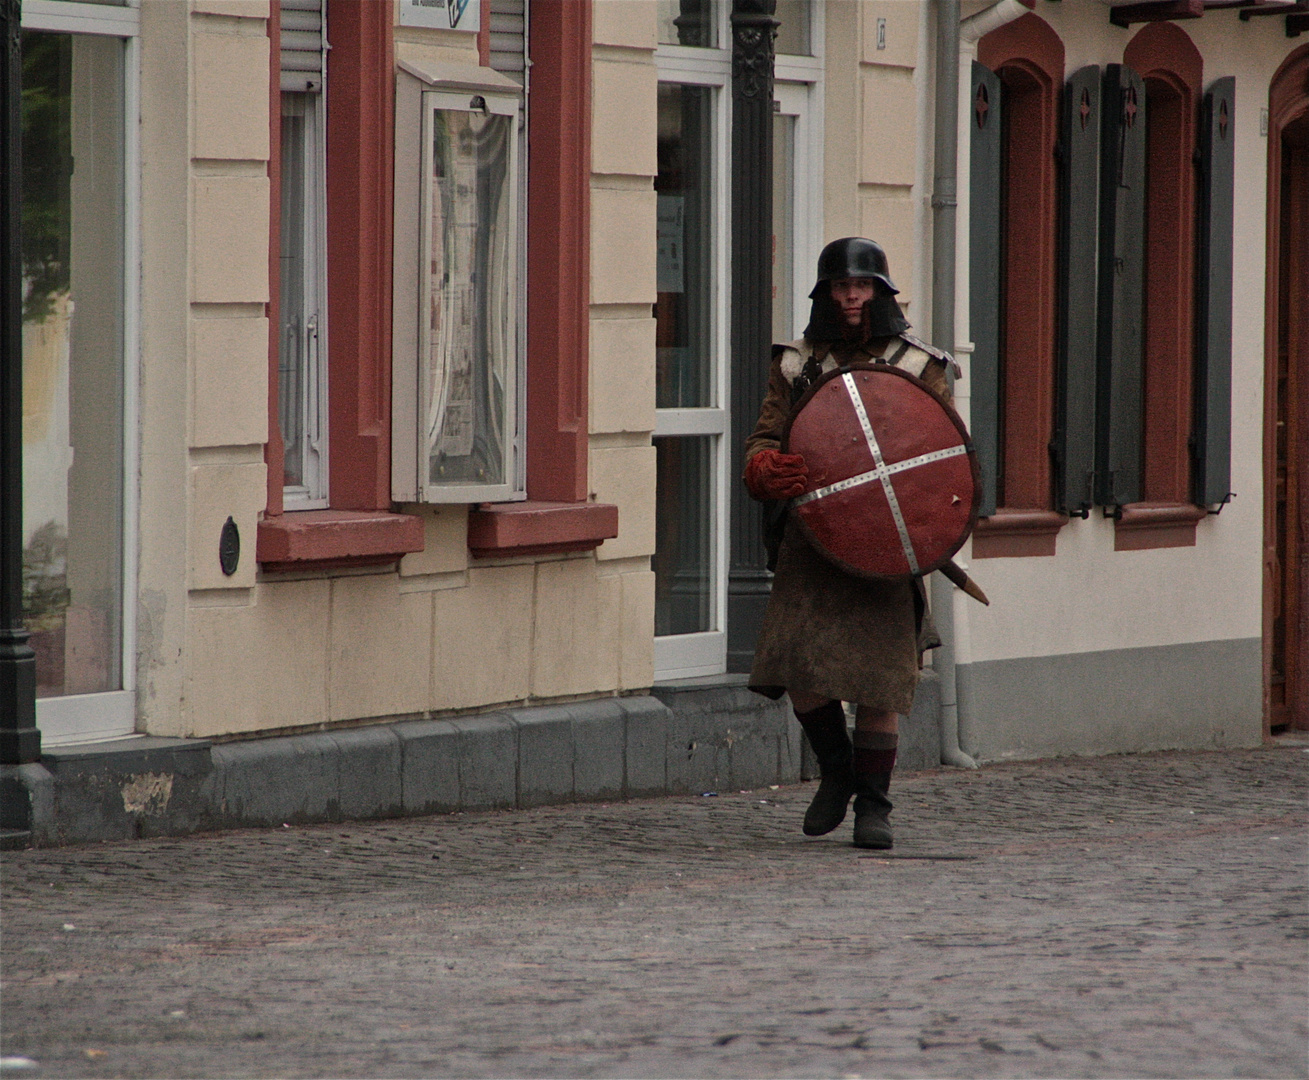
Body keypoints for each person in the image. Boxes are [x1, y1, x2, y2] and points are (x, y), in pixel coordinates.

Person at [742, 237, 958, 850]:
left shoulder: (919, 367)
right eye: (841, 287)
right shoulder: (798, 364)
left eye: (862, 286)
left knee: (877, 682)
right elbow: (765, 439)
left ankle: (875, 807)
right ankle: (837, 773)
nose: (852, 296)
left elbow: (940, 460)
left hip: (888, 541)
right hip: (813, 537)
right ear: (826, 295)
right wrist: (764, 468)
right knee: (801, 668)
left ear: (881, 292)